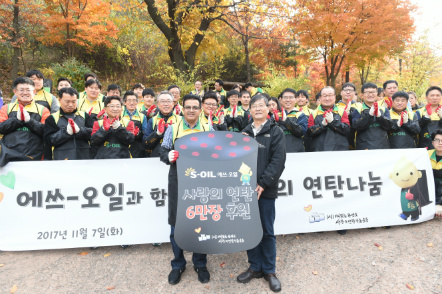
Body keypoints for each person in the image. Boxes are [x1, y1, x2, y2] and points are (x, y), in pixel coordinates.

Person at [159, 94, 212, 285]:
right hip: (179, 181)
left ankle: (200, 263)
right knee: (176, 224)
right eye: (187, 107)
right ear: (181, 109)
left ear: (200, 110)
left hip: (201, 183)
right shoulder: (173, 128)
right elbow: (162, 151)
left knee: (201, 222)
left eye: (195, 107)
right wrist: (169, 155)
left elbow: (216, 152)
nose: (191, 110)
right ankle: (178, 264)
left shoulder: (208, 128)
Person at [238, 94, 286, 293]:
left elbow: (278, 161)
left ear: (268, 109)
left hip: (265, 190)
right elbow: (238, 160)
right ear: (249, 111)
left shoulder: (276, 132)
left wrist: (263, 184)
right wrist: (245, 184)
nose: (257, 108)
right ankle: (255, 267)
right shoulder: (244, 133)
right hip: (246, 189)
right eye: (254, 106)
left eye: (261, 105)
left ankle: (270, 271)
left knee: (267, 231)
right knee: (250, 229)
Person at [0, 77, 50, 166]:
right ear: (15, 92)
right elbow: (1, 128)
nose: (25, 93)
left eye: (28, 90)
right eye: (21, 90)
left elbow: (47, 132)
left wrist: (29, 121)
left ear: (34, 92)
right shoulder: (6, 108)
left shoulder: (43, 110)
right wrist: (16, 120)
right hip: (9, 155)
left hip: (35, 155)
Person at [44, 87, 94, 160]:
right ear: (59, 100)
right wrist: (65, 133)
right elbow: (49, 141)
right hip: (61, 158)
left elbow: (94, 135)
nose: (70, 105)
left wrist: (80, 131)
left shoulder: (84, 116)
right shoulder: (52, 118)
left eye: (74, 102)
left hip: (84, 157)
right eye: (67, 102)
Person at [307, 86, 350, 152]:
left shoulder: (342, 112)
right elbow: (309, 132)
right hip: (319, 150)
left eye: (330, 95)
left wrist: (333, 122)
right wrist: (322, 125)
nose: (327, 98)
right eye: (324, 96)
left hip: (339, 150)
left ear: (335, 97)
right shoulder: (314, 113)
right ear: (320, 98)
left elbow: (346, 130)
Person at [351, 83, 393, 150]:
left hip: (382, 146)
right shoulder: (358, 110)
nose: (370, 94)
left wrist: (380, 117)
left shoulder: (384, 109)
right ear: (362, 95)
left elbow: (389, 126)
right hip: (364, 147)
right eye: (367, 92)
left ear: (377, 94)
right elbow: (356, 126)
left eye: (373, 92)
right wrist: (369, 116)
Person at [143, 91, 180, 157]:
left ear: (173, 103)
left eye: (168, 101)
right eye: (162, 101)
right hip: (157, 159)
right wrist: (157, 134)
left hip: (176, 158)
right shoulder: (152, 121)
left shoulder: (180, 120)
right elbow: (146, 145)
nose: (166, 104)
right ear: (158, 104)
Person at [276, 88, 308, 152]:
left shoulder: (300, 115)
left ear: (296, 100)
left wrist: (286, 121)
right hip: (278, 151)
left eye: (291, 97)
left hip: (296, 152)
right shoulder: (276, 115)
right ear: (281, 100)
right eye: (285, 97)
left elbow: (301, 132)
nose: (288, 100)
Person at [122, 91, 146, 158]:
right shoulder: (119, 115)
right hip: (122, 147)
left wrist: (138, 133)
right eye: (129, 100)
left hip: (137, 149)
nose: (132, 103)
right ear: (124, 102)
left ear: (137, 102)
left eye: (134, 100)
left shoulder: (142, 116)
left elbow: (145, 133)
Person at [429, 130, 442, 217]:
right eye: (437, 140)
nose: (440, 143)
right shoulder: (425, 155)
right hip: (431, 187)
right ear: (432, 142)